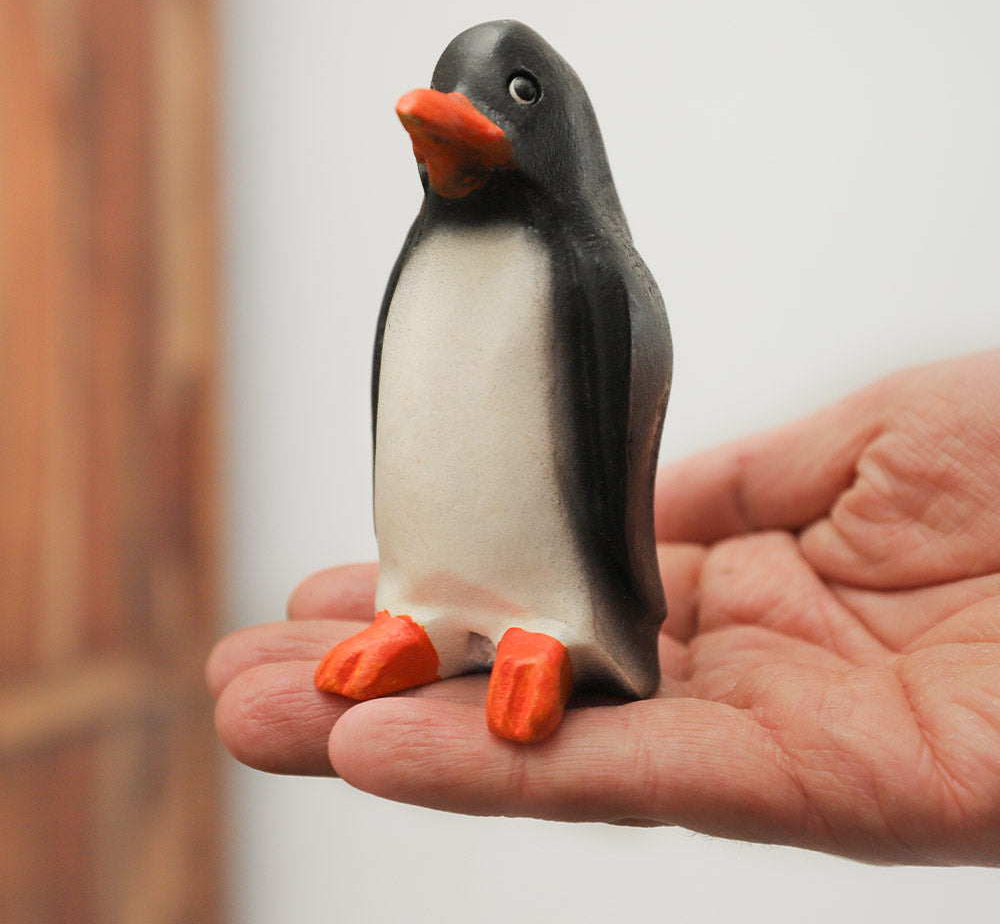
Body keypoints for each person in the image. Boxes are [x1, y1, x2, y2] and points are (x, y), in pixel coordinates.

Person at [207, 350, 1000, 866]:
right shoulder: (427, 268)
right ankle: (421, 619)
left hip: (569, 594)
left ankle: (551, 635)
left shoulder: (583, 262)